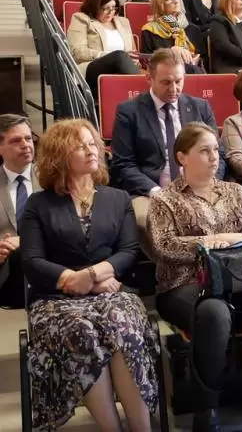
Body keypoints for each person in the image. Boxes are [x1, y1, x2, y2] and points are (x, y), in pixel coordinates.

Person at [147, 122, 242, 431]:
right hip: (185, 283)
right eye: (204, 151)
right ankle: (206, 411)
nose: (214, 157)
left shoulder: (236, 191)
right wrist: (214, 242)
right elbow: (164, 247)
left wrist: (224, 241)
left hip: (241, 279)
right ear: (182, 157)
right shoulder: (164, 200)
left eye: (216, 150)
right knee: (214, 311)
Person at [21, 119, 158, 431]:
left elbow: (128, 251)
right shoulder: (38, 204)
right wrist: (76, 280)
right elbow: (32, 261)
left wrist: (92, 274)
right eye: (80, 146)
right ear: (59, 155)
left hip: (112, 291)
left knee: (122, 324)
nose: (91, 150)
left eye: (92, 143)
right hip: (57, 298)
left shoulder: (118, 198)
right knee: (80, 330)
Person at [110, 48, 225, 257]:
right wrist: (156, 192)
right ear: (149, 78)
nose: (174, 89)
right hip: (150, 191)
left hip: (199, 186)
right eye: (166, 82)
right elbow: (123, 165)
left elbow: (219, 154)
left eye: (179, 81)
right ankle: (175, 267)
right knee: (150, 220)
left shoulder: (199, 107)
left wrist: (208, 184)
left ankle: (212, 265)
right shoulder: (129, 112)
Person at [67, 0, 140, 99]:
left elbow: (132, 52)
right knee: (119, 56)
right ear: (94, 6)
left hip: (121, 71)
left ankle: (138, 92)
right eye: (106, 8)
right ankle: (140, 91)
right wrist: (106, 55)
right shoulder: (81, 19)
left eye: (114, 7)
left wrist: (134, 60)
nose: (111, 12)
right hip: (92, 71)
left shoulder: (123, 22)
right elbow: (78, 52)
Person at [0, 114, 38, 308]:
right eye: (16, 141)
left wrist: (23, 241)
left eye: (28, 138)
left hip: (49, 268)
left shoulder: (52, 179)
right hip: (6, 276)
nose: (25, 145)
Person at [141, 0, 204, 73]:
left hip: (193, 74)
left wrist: (192, 59)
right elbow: (145, 61)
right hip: (164, 74)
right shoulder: (149, 30)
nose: (176, 1)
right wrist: (170, 53)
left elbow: (202, 59)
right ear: (160, 4)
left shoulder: (193, 29)